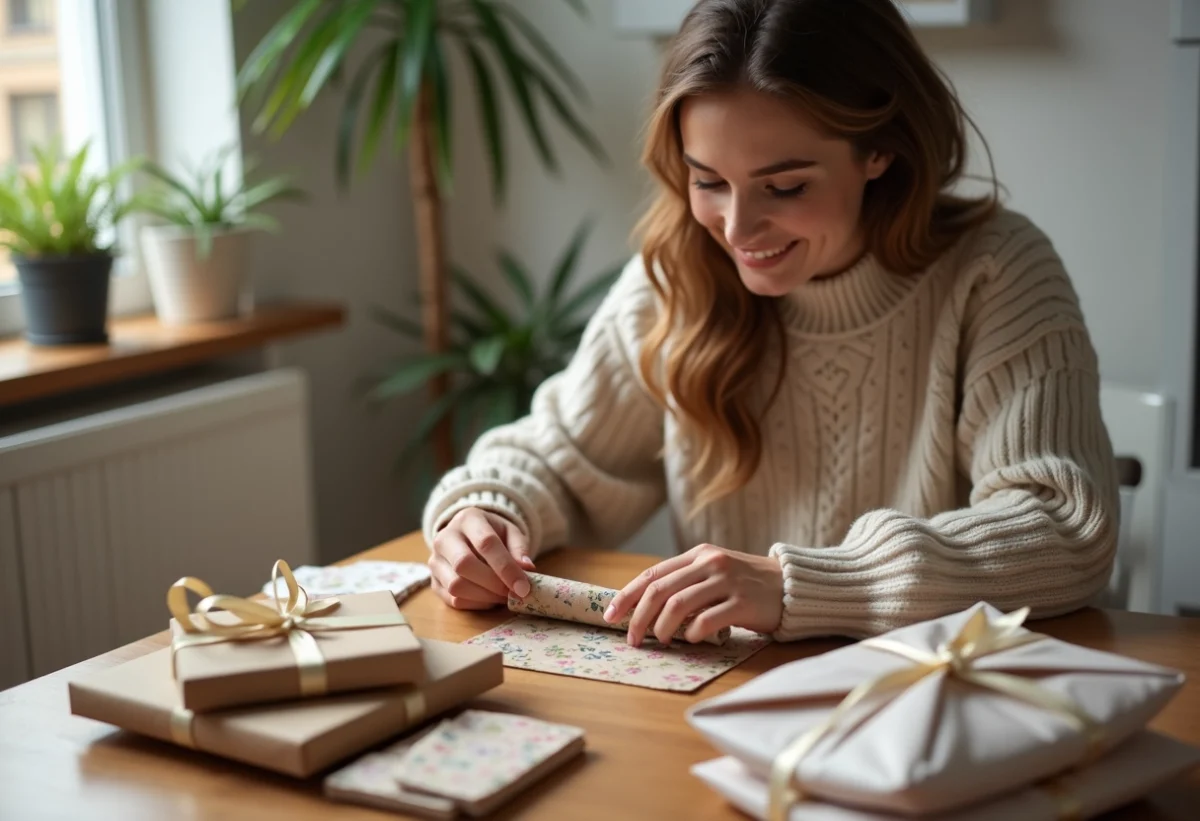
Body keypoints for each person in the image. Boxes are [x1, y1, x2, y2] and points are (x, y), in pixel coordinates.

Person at [420, 0, 1118, 646]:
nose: (737, 227)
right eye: (708, 180)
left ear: (880, 149)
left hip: (928, 703)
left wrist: (795, 586)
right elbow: (557, 458)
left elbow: (1063, 529)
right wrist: (485, 513)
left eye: (785, 186)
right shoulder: (679, 276)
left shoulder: (996, 270)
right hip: (721, 704)